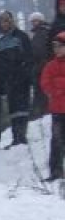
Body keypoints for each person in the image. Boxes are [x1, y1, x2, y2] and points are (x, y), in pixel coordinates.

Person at [0, 11, 33, 149]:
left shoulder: (21, 36)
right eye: (3, 21)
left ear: (12, 21)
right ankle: (15, 136)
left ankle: (22, 136)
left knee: (22, 107)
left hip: (21, 78)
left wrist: (26, 74)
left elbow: (29, 57)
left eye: (7, 20)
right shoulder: (0, 42)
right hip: (8, 80)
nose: (5, 23)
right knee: (12, 109)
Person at [40, 31, 65, 182]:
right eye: (54, 47)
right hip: (57, 110)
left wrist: (58, 84)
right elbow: (45, 84)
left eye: (59, 46)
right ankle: (56, 171)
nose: (56, 50)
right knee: (56, 142)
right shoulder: (50, 65)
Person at [30, 12, 52, 121]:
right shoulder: (36, 34)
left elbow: (42, 51)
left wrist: (41, 65)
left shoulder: (44, 32)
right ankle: (41, 114)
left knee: (43, 92)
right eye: (33, 21)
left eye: (36, 20)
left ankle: (44, 113)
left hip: (44, 67)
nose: (34, 23)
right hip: (38, 68)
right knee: (40, 92)